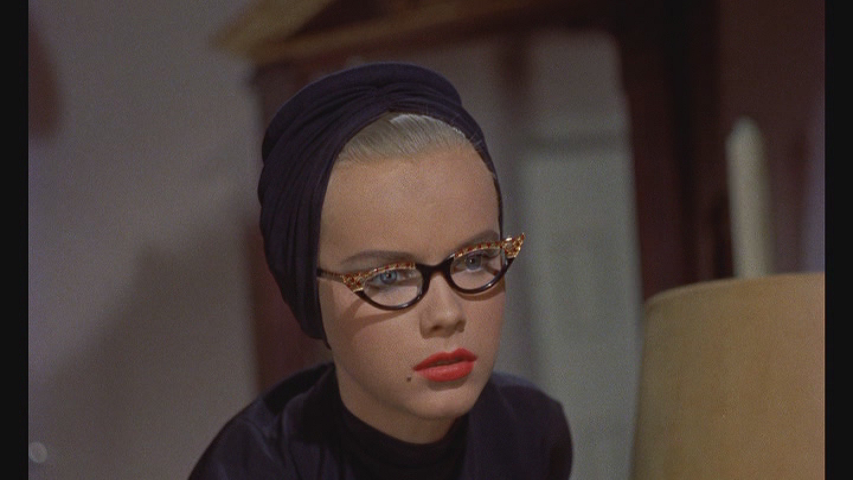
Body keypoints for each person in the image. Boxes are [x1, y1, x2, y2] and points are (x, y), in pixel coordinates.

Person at [189, 62, 572, 479]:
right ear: (310, 293)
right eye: (389, 277)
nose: (447, 314)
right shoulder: (248, 469)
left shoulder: (531, 432)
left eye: (474, 260)